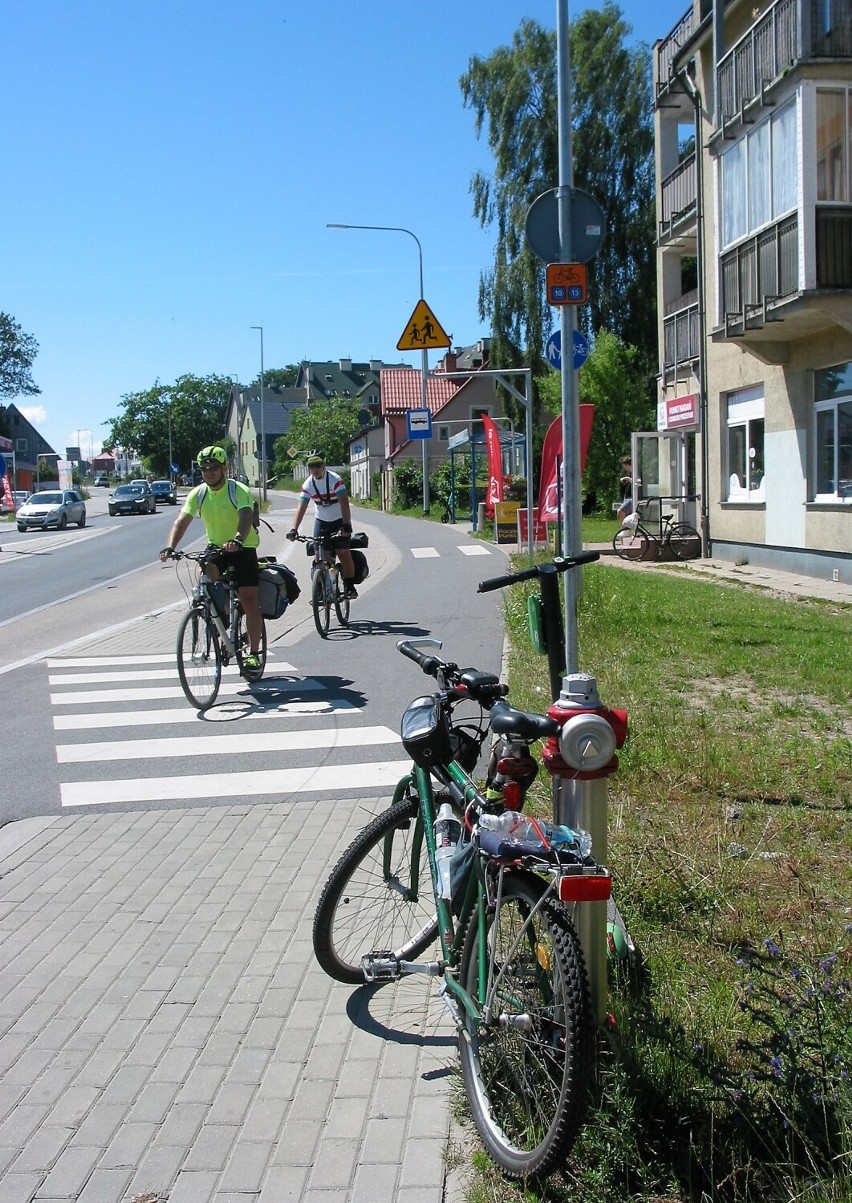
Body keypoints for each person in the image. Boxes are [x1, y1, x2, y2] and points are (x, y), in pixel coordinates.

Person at [159, 445, 264, 671]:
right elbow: (182, 520)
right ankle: (217, 617)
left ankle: (254, 653)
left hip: (242, 547)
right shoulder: (199, 493)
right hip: (217, 548)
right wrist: (170, 547)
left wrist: (237, 539)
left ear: (224, 468)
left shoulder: (238, 490)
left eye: (214, 468)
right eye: (204, 468)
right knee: (204, 579)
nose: (208, 472)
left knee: (248, 599)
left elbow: (245, 516)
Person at [286, 453, 358, 597]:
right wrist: (293, 529)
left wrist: (346, 524)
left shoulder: (335, 480)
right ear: (309, 469)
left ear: (323, 466)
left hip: (339, 521)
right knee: (318, 555)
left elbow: (344, 504)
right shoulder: (308, 485)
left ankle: (350, 586)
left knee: (343, 552)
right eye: (312, 467)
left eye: (318, 466)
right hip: (322, 522)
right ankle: (319, 586)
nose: (315, 469)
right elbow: (301, 508)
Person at [616, 456, 634, 524]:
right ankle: (626, 528)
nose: (624, 468)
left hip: (632, 498)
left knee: (620, 511)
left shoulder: (635, 473)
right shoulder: (629, 473)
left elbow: (637, 482)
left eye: (625, 466)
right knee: (622, 514)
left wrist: (626, 478)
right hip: (627, 497)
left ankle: (625, 529)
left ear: (627, 465)